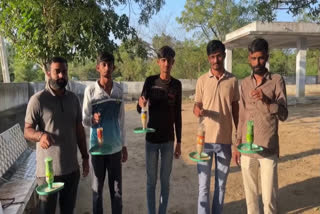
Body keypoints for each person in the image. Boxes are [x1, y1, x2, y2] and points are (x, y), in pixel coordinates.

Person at [24, 56, 89, 214]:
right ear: (48, 73)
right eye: (57, 72)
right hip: (47, 174)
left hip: (71, 169)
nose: (61, 75)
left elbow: (79, 131)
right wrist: (40, 136)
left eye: (64, 72)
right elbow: (27, 130)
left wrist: (85, 157)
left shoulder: (73, 99)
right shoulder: (38, 100)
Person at [233, 38, 288, 214]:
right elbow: (242, 115)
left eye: (261, 58)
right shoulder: (244, 83)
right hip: (247, 149)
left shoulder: (277, 80)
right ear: (249, 58)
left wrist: (267, 100)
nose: (257, 63)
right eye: (254, 58)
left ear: (267, 57)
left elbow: (284, 114)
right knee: (250, 200)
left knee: (269, 201)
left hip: (268, 148)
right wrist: (237, 145)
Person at [194, 40, 240, 214]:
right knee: (203, 187)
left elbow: (236, 113)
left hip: (225, 143)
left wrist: (237, 140)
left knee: (221, 186)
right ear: (208, 59)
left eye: (219, 55)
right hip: (203, 142)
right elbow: (196, 105)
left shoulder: (233, 81)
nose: (216, 60)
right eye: (212, 57)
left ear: (224, 55)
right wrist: (197, 109)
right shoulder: (202, 80)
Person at [137, 45, 182, 214]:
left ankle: (161, 211)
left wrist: (179, 142)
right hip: (151, 140)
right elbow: (140, 106)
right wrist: (140, 104)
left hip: (168, 141)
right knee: (151, 182)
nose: (166, 64)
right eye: (163, 60)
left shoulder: (177, 85)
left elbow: (178, 115)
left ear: (173, 63)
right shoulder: (150, 81)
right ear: (158, 62)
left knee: (165, 181)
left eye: (169, 61)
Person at [82, 52, 127, 214]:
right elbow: (84, 120)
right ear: (98, 68)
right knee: (97, 193)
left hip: (115, 150)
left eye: (110, 64)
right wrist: (92, 119)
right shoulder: (91, 91)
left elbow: (121, 120)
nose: (107, 68)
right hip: (98, 150)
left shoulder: (119, 91)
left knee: (117, 193)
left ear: (114, 67)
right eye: (104, 64)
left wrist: (124, 145)